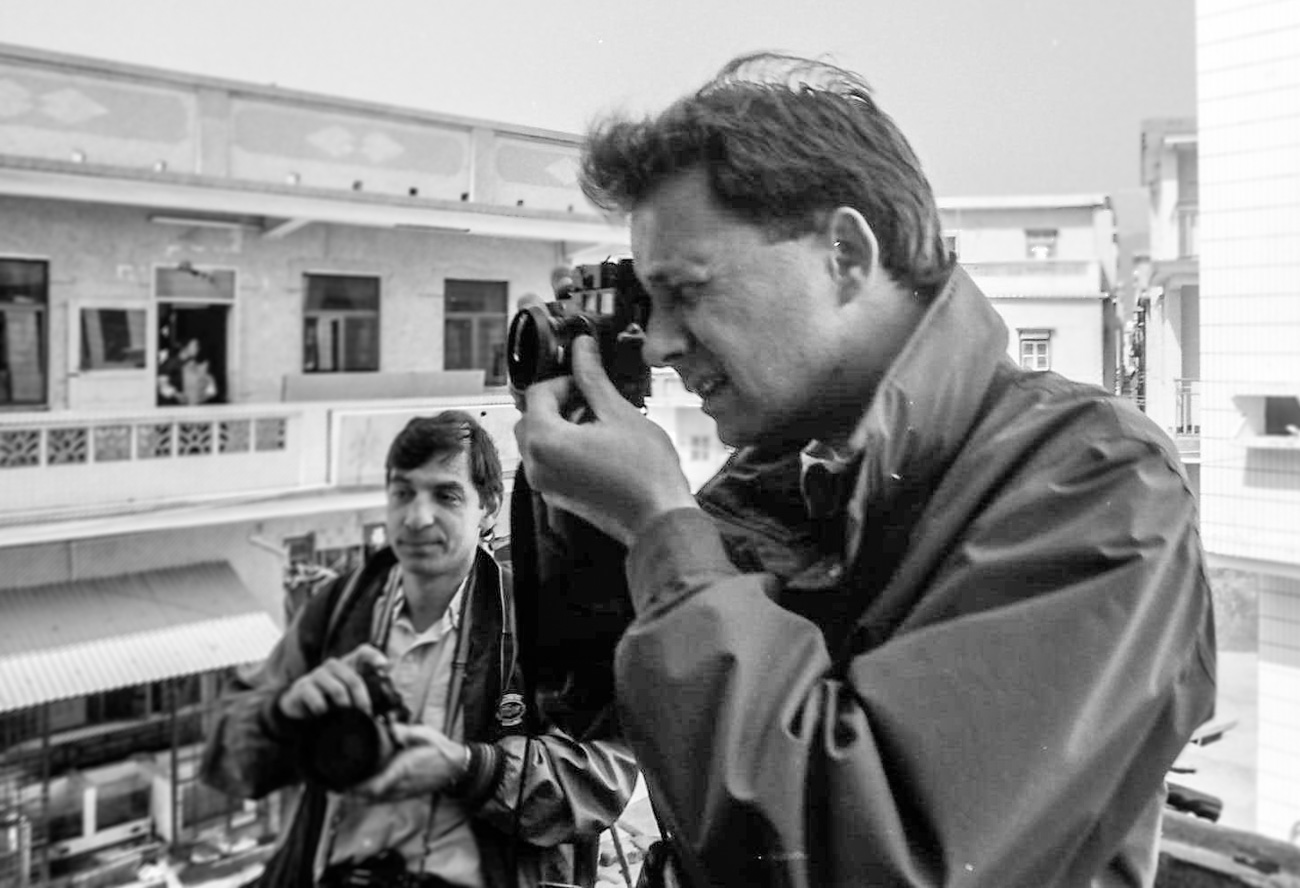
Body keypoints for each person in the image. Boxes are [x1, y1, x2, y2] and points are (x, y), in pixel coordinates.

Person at [513, 53, 1216, 887]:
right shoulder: (777, 477)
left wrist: (662, 526)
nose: (660, 345)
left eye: (689, 292)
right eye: (646, 304)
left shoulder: (1095, 480)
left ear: (846, 252)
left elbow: (874, 857)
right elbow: (592, 700)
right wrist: (584, 504)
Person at [201, 411, 637, 888]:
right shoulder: (338, 613)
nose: (418, 517)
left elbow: (606, 777)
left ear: (489, 507)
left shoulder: (541, 621)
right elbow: (228, 753)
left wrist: (472, 769)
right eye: (404, 493)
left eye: (446, 496)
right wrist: (283, 716)